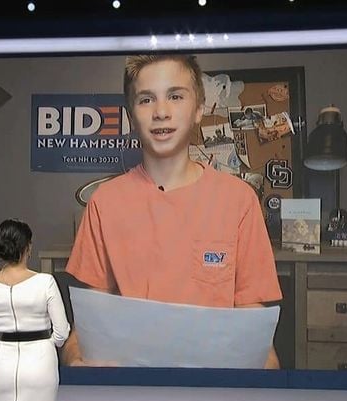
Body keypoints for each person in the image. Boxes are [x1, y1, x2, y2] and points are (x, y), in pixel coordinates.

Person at [63, 55, 282, 368]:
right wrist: (76, 362)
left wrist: (266, 379)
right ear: (131, 114)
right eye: (146, 99)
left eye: (175, 96)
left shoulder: (239, 201)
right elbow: (83, 334)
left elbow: (256, 336)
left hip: (213, 394)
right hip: (131, 395)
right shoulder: (105, 203)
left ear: (198, 109)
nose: (161, 112)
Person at [0, 219, 70, 401]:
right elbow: (61, 331)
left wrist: (0, 344)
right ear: (28, 247)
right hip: (40, 364)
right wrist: (47, 345)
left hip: (2, 367)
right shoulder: (45, 283)